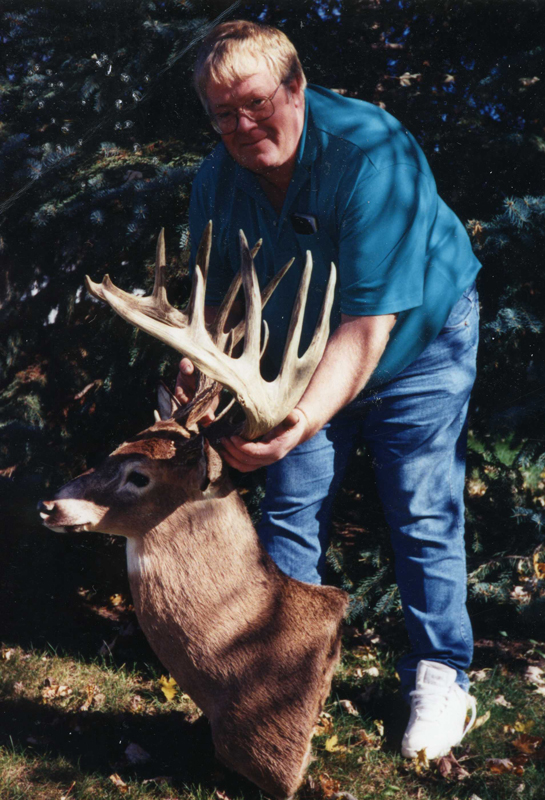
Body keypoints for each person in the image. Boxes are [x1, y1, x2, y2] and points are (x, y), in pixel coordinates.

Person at [176, 20, 481, 759]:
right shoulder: (217, 178)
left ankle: (441, 674)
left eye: (254, 103)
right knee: (289, 510)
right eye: (223, 114)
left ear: (295, 87)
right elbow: (210, 302)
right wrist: (199, 371)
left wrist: (301, 419)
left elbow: (367, 327)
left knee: (420, 504)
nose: (243, 126)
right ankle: (279, 685)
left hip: (415, 341)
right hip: (296, 352)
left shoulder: (368, 154)